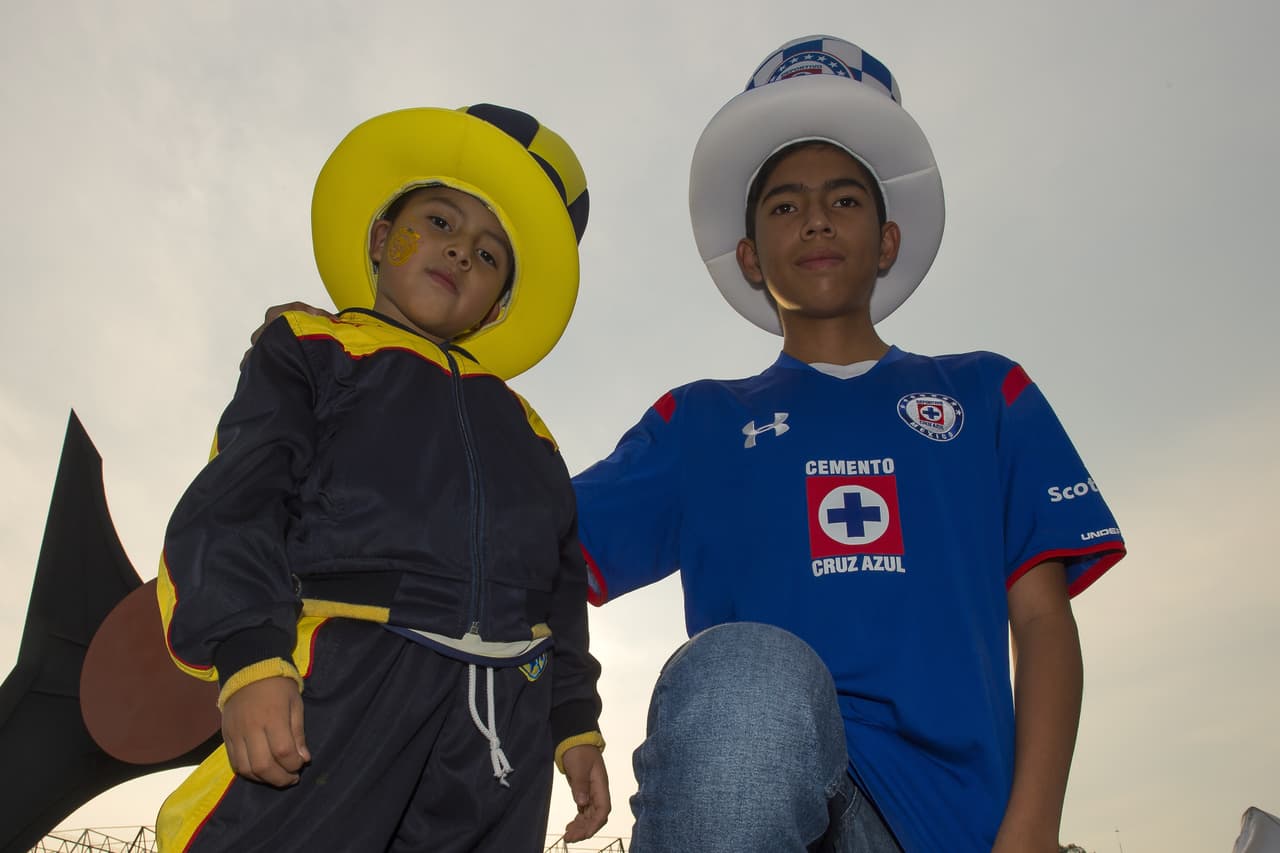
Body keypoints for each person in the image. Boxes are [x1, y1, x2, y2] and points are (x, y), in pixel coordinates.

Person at [572, 35, 1126, 852]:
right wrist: (570, 709)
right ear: (750, 257)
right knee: (744, 674)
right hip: (757, 801)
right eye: (785, 206)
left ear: (888, 240)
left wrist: (1033, 830)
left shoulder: (986, 393)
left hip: (953, 828)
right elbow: (526, 545)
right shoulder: (697, 422)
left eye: (844, 199)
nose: (817, 219)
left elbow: (1043, 621)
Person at [155, 104, 609, 852]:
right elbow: (238, 500)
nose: (461, 251)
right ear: (378, 236)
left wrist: (573, 725)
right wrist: (249, 654)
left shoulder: (528, 427)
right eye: (440, 221)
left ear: (497, 306)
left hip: (504, 725)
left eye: (490, 255)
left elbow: (559, 590)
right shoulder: (310, 346)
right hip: (346, 674)